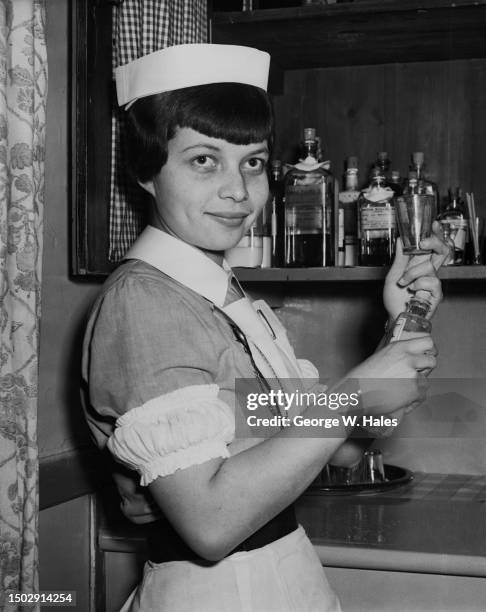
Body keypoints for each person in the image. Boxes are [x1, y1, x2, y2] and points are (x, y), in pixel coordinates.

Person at [81, 43, 449, 611]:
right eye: (204, 160)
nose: (239, 190)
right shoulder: (144, 304)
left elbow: (341, 452)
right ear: (145, 171)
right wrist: (352, 395)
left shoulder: (224, 301)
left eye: (251, 161)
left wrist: (401, 325)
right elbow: (210, 523)